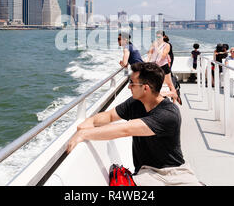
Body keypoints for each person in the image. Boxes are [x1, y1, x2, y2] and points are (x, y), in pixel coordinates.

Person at [67, 62, 202, 186]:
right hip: (147, 173)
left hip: (174, 173)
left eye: (132, 83)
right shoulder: (135, 102)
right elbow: (109, 116)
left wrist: (84, 134)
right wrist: (86, 123)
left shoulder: (168, 114)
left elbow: (125, 130)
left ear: (145, 88)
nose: (129, 86)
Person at [148, 31, 180, 105]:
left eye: (159, 37)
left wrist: (157, 48)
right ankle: (157, 102)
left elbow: (163, 56)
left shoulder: (167, 45)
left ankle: (174, 103)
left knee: (170, 85)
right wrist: (147, 60)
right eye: (157, 37)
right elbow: (150, 52)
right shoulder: (154, 44)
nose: (158, 38)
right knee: (155, 84)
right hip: (156, 67)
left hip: (164, 67)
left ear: (164, 37)